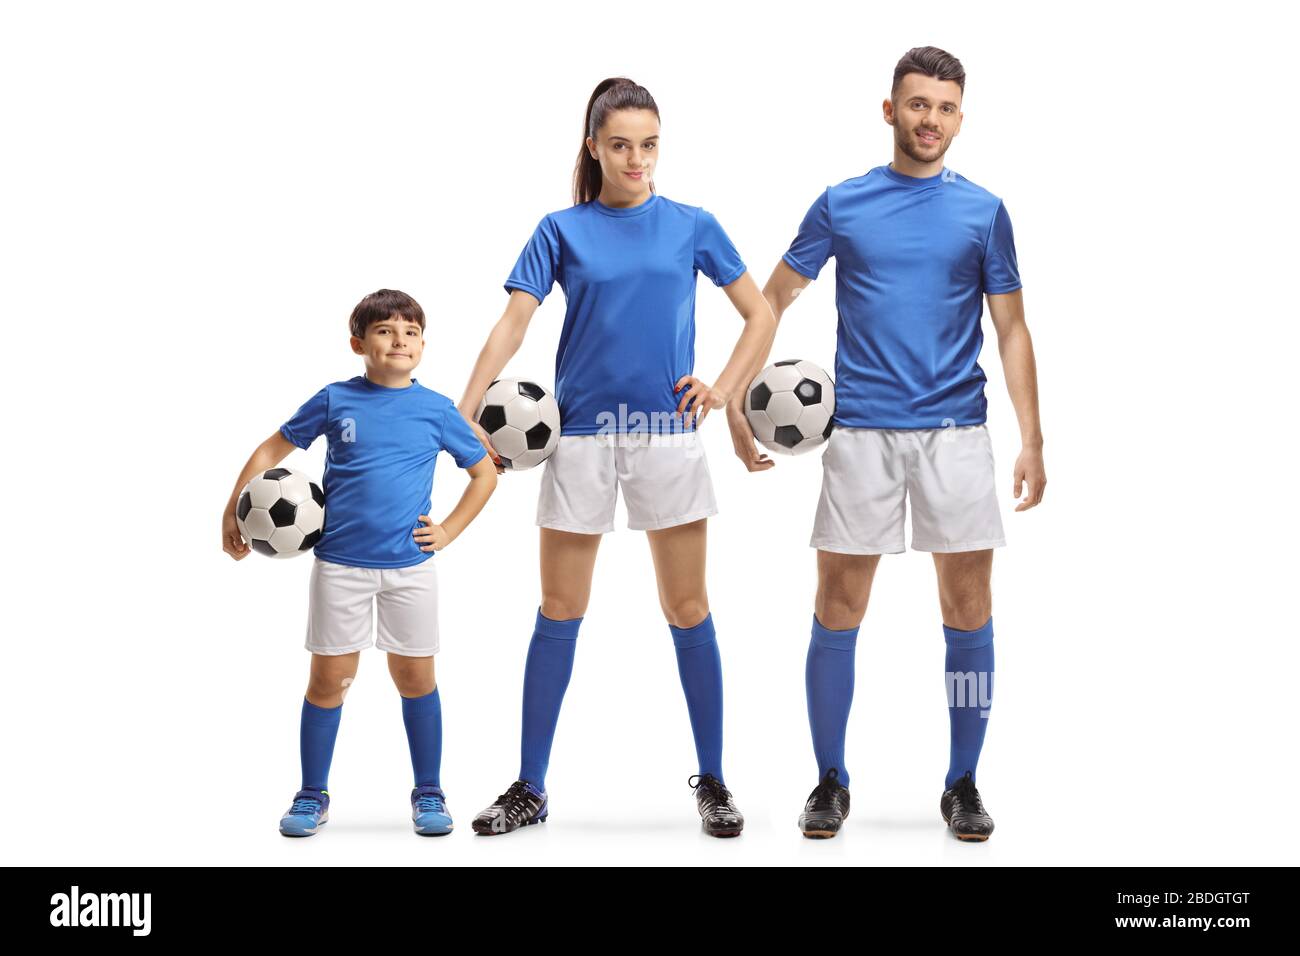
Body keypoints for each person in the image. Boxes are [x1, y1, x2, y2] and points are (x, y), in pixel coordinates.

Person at [735, 46, 1046, 841]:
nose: (929, 120)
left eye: (944, 108)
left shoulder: (984, 211)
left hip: (955, 435)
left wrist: (1032, 438)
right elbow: (773, 298)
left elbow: (1010, 329)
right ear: (889, 110)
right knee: (838, 607)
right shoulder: (843, 204)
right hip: (862, 433)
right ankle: (830, 779)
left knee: (968, 609)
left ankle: (964, 779)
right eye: (916, 104)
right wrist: (739, 391)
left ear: (960, 118)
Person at [460, 77, 776, 837]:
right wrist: (463, 411)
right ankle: (530, 787)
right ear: (594, 147)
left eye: (650, 144)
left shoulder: (692, 224)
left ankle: (716, 781)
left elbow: (759, 313)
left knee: (688, 609)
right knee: (559, 611)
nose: (638, 159)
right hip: (579, 440)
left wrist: (726, 391)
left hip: (666, 435)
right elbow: (512, 325)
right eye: (622, 145)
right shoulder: (560, 230)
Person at [222, 289, 497, 837]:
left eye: (411, 332)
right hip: (340, 568)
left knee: (416, 678)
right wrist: (233, 506)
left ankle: (429, 791)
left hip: (409, 569)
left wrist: (447, 530)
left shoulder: (437, 409)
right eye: (385, 331)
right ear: (358, 343)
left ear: (423, 344)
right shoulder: (335, 400)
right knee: (329, 680)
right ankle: (311, 794)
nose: (400, 340)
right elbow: (271, 449)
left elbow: (484, 473)